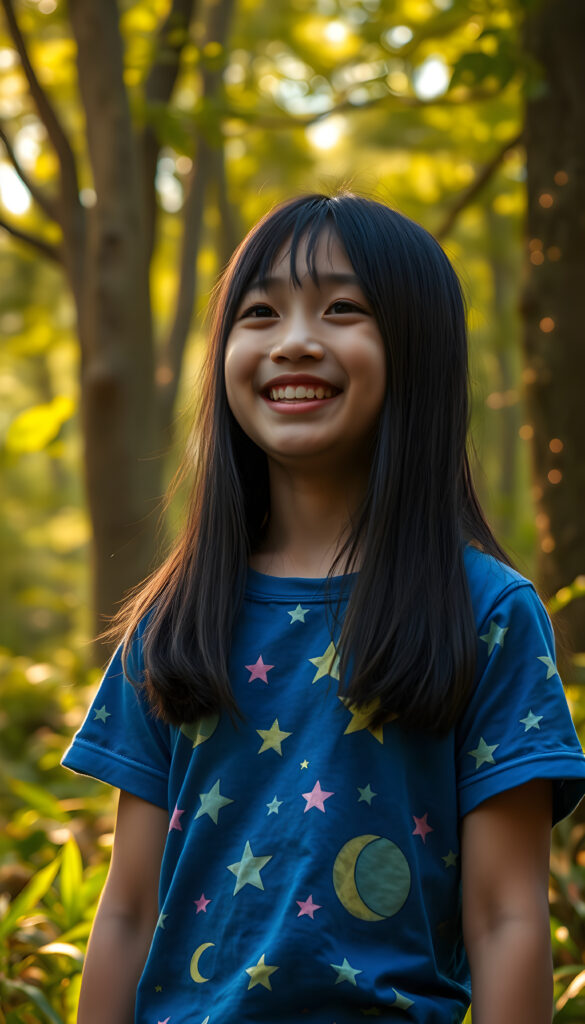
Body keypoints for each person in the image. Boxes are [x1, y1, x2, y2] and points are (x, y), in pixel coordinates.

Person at [62, 191, 585, 1024]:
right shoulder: (176, 618)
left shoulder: (485, 612)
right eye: (259, 312)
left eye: (343, 308)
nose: (295, 341)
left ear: (417, 350)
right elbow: (126, 911)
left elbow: (507, 918)